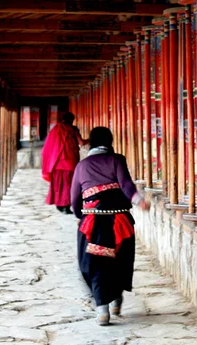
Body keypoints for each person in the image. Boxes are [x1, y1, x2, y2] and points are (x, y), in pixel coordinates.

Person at [70, 127, 149, 326]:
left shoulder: (82, 166)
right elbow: (126, 185)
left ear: (91, 143)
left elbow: (74, 199)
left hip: (92, 225)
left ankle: (101, 309)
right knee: (118, 261)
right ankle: (116, 298)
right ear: (110, 141)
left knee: (94, 265)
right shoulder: (117, 160)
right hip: (119, 222)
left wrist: (81, 215)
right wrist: (140, 201)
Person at [41, 112, 87, 214]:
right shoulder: (73, 129)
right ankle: (66, 205)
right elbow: (82, 143)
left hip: (56, 162)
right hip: (70, 161)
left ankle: (59, 204)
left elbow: (48, 147)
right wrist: (93, 139)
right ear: (71, 120)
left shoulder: (55, 130)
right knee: (68, 184)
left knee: (58, 184)